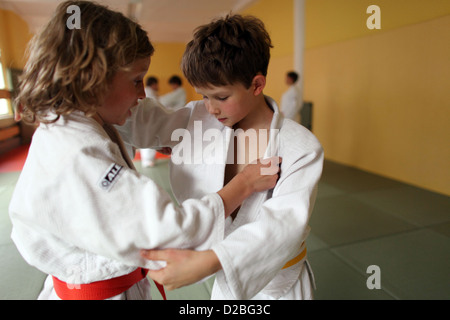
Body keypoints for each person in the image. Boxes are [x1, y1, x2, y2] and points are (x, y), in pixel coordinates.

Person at [8, 1, 280, 300]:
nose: (141, 93)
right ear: (94, 78)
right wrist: (242, 185)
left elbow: (144, 118)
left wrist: (183, 132)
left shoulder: (77, 115)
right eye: (137, 80)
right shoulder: (78, 155)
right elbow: (168, 229)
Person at [140, 14, 324, 300]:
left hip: (280, 287)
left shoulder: (300, 146)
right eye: (203, 96)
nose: (211, 108)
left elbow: (284, 225)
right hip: (226, 284)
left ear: (257, 84)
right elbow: (138, 122)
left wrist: (212, 260)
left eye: (221, 97)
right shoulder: (197, 119)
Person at [140, 77, 159, 167]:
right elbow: (156, 105)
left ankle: (147, 160)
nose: (157, 86)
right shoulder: (149, 91)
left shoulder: (147, 91)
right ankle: (147, 160)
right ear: (153, 84)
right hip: (148, 119)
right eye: (156, 84)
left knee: (147, 138)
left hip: (145, 119)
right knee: (149, 139)